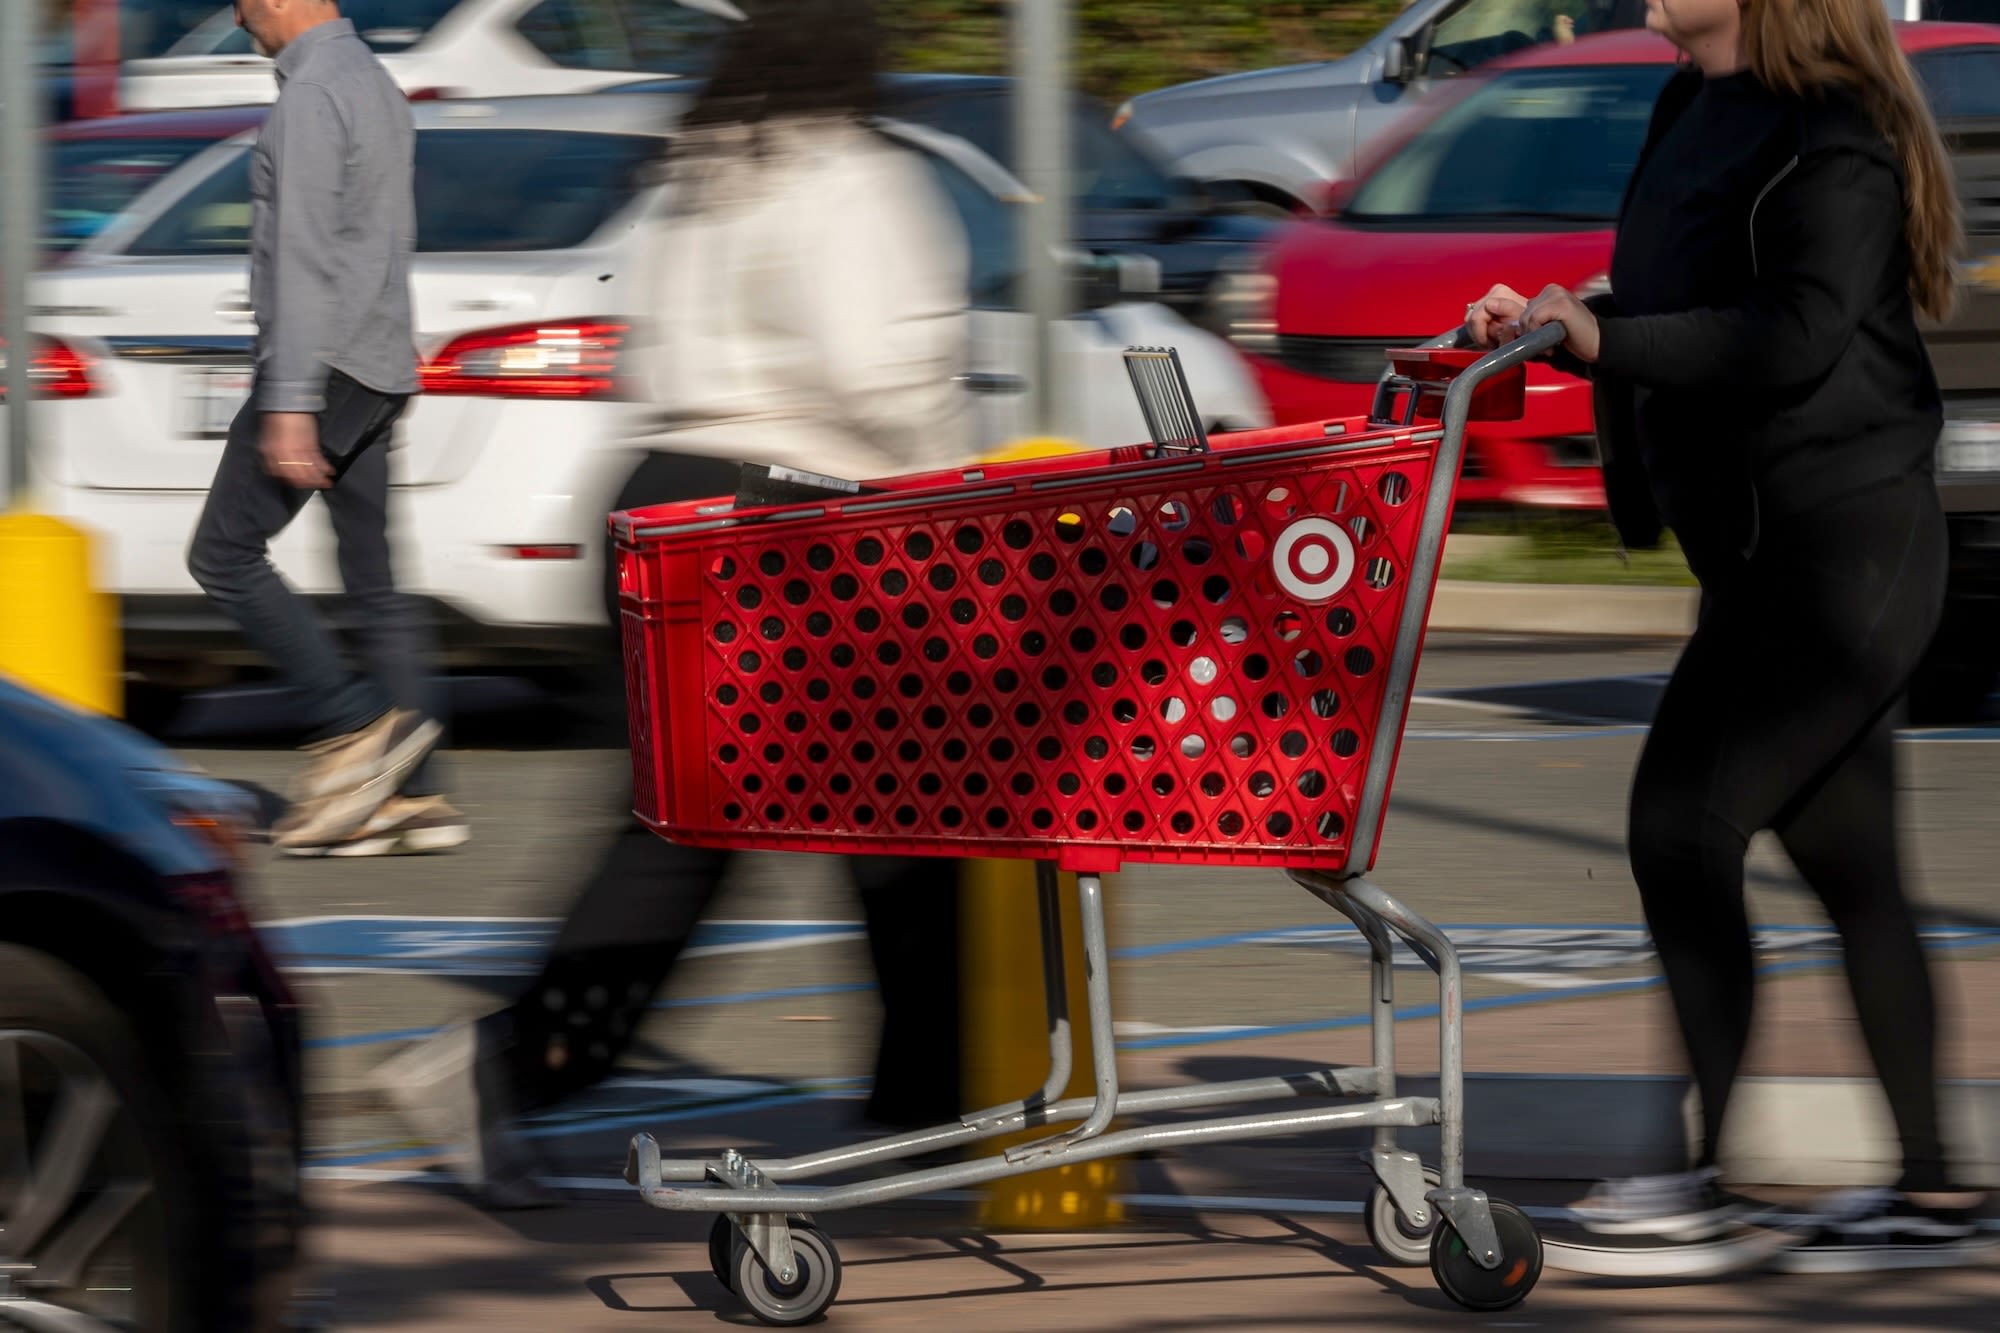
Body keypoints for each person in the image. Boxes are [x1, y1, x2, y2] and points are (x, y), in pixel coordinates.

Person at [376, 0, 974, 1208]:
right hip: (799, 524)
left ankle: (919, 1097)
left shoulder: (704, 166)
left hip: (669, 500)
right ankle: (920, 1101)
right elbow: (877, 368)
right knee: (903, 814)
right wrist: (955, 468)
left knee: (722, 828)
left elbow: (648, 350)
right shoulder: (851, 172)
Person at [1466, 0, 1988, 1271]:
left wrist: (1600, 340)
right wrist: (1561, 314)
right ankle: (1934, 1198)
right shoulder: (1688, 103)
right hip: (1760, 552)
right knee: (1852, 868)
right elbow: (1677, 293)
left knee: (1678, 823)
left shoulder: (1839, 130)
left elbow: (1792, 332)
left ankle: (1704, 1183)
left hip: (1839, 556)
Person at [186, 0, 465, 858]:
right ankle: (415, 798)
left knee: (223, 555)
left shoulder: (309, 98)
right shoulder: (373, 81)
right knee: (375, 584)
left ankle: (355, 735)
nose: (242, 23)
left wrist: (291, 401)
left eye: (242, 9)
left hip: (326, 367)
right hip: (377, 361)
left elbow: (304, 255)